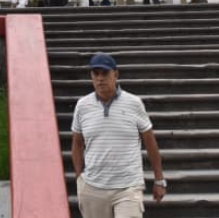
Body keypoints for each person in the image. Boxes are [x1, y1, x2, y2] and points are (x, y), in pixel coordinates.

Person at [71, 53, 165, 217]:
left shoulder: (134, 103)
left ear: (116, 74)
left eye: (105, 73)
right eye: (96, 74)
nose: (100, 78)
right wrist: (80, 178)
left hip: (128, 187)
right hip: (93, 188)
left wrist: (159, 179)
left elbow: (150, 141)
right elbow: (77, 143)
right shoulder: (82, 105)